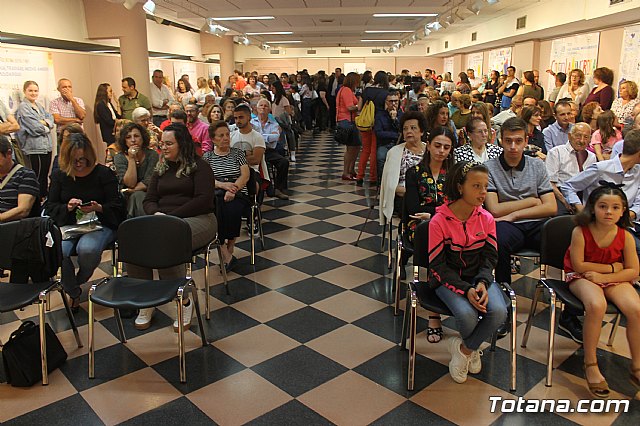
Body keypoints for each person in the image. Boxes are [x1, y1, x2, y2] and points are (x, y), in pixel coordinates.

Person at [429, 160, 507, 383]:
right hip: (446, 281)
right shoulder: (439, 222)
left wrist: (482, 283)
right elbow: (438, 267)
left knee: (499, 312)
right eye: (476, 186)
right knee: (467, 314)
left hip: (477, 278)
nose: (483, 192)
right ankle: (472, 349)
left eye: (485, 186)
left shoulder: (487, 218)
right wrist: (466, 290)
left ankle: (464, 349)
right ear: (459, 186)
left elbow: (490, 257)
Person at [135, 123, 217, 331]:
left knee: (167, 238)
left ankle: (185, 301)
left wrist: (170, 218)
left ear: (183, 144)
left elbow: (203, 200)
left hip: (199, 218)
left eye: (169, 143)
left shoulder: (200, 166)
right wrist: (156, 214)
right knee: (135, 241)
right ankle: (146, 300)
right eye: (162, 143)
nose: (164, 147)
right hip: (164, 221)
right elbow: (149, 199)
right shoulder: (161, 169)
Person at [563, 183, 640, 398]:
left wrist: (607, 274)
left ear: (623, 211)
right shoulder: (581, 231)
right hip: (581, 277)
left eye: (615, 207)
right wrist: (614, 268)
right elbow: (579, 265)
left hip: (611, 277)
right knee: (597, 305)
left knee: (636, 309)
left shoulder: (625, 236)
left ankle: (637, 365)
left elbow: (633, 270)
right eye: (603, 206)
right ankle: (591, 363)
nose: (609, 212)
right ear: (593, 208)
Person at [46, 132, 124, 312]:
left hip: (99, 223)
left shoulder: (103, 174)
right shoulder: (60, 176)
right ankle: (73, 291)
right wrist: (67, 207)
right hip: (69, 224)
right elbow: (50, 206)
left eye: (82, 159)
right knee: (60, 251)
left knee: (87, 249)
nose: (79, 164)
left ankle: (76, 282)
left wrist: (98, 208)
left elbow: (117, 206)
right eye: (74, 160)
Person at [484, 117, 557, 287]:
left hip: (534, 223)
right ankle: (504, 290)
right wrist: (532, 201)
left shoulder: (537, 165)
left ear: (526, 141)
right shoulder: (489, 167)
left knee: (561, 237)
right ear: (501, 141)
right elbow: (494, 209)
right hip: (506, 226)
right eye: (508, 141)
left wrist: (513, 214)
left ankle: (559, 291)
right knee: (498, 238)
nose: (513, 147)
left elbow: (551, 207)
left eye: (518, 141)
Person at [404, 126, 455, 343]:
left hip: (449, 224)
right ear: (428, 144)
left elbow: (458, 205)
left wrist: (433, 212)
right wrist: (439, 212)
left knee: (457, 241)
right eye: (437, 145)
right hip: (420, 227)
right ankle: (434, 316)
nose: (441, 151)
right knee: (431, 237)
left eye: (446, 147)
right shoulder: (414, 173)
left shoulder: (454, 174)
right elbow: (413, 209)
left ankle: (455, 297)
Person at [203, 121, 250, 270]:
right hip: (216, 190)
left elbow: (245, 175)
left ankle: (230, 247)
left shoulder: (238, 153)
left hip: (237, 191)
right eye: (221, 135)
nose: (225, 138)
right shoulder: (207, 156)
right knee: (216, 210)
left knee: (233, 209)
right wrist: (222, 186)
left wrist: (233, 189)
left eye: (227, 134)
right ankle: (225, 251)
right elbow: (206, 179)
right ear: (213, 139)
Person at [379, 111, 427, 228]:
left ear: (422, 131)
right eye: (405, 129)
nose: (408, 131)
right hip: (404, 197)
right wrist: (413, 193)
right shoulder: (395, 152)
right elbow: (389, 185)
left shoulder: (429, 150)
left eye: (413, 128)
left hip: (428, 196)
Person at [546, 123, 597, 215]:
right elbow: (550, 183)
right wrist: (565, 202)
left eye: (586, 137)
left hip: (583, 195)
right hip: (560, 195)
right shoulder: (556, 152)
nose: (582, 140)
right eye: (578, 136)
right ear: (569, 136)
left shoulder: (591, 157)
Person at [15, 80, 54, 199]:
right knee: (36, 175)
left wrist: (45, 123)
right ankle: (36, 200)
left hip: (46, 146)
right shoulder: (23, 107)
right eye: (30, 90)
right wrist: (45, 126)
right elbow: (35, 128)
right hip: (34, 148)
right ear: (24, 91)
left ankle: (44, 198)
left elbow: (51, 119)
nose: (33, 93)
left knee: (44, 175)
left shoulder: (39, 106)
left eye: (35, 90)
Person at [113, 122, 159, 217]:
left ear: (143, 138)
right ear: (124, 141)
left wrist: (132, 190)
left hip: (149, 194)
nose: (133, 140)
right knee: (135, 196)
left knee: (137, 195)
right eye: (128, 137)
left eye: (136, 136)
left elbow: (148, 181)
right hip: (126, 197)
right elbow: (130, 183)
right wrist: (132, 158)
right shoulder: (119, 157)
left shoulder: (152, 155)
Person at [251, 99, 289, 200]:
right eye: (261, 106)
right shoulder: (251, 123)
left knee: (284, 162)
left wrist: (260, 137)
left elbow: (276, 137)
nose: (263, 107)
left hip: (268, 150)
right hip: (255, 150)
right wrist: (268, 137)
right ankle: (266, 189)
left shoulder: (274, 123)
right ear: (257, 109)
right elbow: (252, 138)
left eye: (266, 106)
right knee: (261, 165)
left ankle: (279, 188)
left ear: (269, 110)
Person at [357, 71, 389, 186]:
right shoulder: (386, 92)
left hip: (365, 123)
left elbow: (359, 107)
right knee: (374, 151)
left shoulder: (367, 90)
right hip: (378, 124)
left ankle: (359, 176)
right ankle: (373, 178)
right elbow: (387, 109)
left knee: (365, 150)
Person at [0, 135, 39, 223]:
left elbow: (23, 210)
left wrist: (1, 217)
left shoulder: (26, 175)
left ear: (8, 153)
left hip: (14, 229)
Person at [230, 104, 270, 188]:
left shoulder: (257, 137)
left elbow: (255, 160)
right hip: (232, 171)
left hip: (252, 171)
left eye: (241, 117)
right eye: (236, 118)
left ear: (249, 117)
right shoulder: (231, 136)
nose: (238, 121)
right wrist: (246, 155)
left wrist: (234, 158)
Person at [337, 72, 361, 181]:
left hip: (347, 121)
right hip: (347, 121)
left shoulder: (345, 90)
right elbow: (350, 107)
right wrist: (359, 106)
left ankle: (351, 169)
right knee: (351, 148)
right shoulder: (346, 90)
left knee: (355, 146)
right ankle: (346, 172)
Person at [375, 90, 402, 179]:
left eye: (396, 101)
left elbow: (402, 131)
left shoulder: (402, 115)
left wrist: (395, 120)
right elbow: (379, 133)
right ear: (386, 102)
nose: (393, 104)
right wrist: (395, 135)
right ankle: (382, 181)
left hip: (399, 145)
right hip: (385, 144)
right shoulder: (380, 115)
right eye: (391, 101)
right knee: (381, 158)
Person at [271, 80, 296, 162]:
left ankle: (292, 153)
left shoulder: (284, 99)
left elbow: (288, 111)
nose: (272, 89)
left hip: (283, 121)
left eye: (273, 88)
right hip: (275, 121)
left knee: (289, 135)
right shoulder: (275, 99)